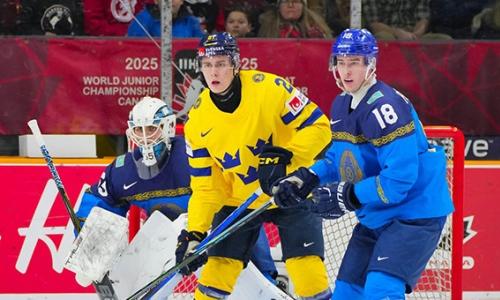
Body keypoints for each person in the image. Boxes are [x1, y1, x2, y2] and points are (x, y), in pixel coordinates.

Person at [272, 28, 455, 299]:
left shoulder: (385, 108)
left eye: (354, 63)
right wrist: (307, 176)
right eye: (341, 62)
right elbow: (340, 160)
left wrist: (349, 195)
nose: (346, 71)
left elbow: (399, 180)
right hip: (376, 216)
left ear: (370, 64)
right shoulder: (342, 103)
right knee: (347, 293)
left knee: (381, 289)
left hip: (413, 215)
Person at [175, 32, 332, 300]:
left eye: (221, 63)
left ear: (236, 64)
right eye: (208, 64)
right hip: (239, 198)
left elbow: (320, 128)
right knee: (217, 270)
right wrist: (194, 232)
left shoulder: (271, 89)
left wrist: (286, 155)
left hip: (289, 187)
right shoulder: (197, 122)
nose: (214, 72)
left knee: (305, 268)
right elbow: (205, 187)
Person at [75, 96, 191, 223]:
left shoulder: (192, 154)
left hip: (199, 235)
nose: (145, 137)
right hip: (157, 238)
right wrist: (86, 232)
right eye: (139, 129)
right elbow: (99, 202)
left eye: (152, 128)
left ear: (168, 127)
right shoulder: (122, 170)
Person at [362, 0, 451, 40]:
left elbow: (423, 19)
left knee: (443, 40)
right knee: (383, 38)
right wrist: (398, 33)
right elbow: (375, 24)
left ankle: (433, 77)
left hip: (414, 34)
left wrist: (415, 34)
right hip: (387, 32)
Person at [127, 0, 204, 38]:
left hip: (183, 68)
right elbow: (134, 49)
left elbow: (202, 50)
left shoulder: (192, 22)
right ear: (156, 1)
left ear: (182, 1)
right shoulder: (141, 20)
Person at [258, 0, 332, 38]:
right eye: (286, 1)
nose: (290, 5)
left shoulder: (316, 28)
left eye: (295, 1)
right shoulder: (267, 28)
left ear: (303, 7)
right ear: (279, 7)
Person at [16, 0, 84, 35]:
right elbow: (22, 25)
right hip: (39, 50)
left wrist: (73, 36)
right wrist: (42, 35)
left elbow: (79, 24)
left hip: (67, 50)